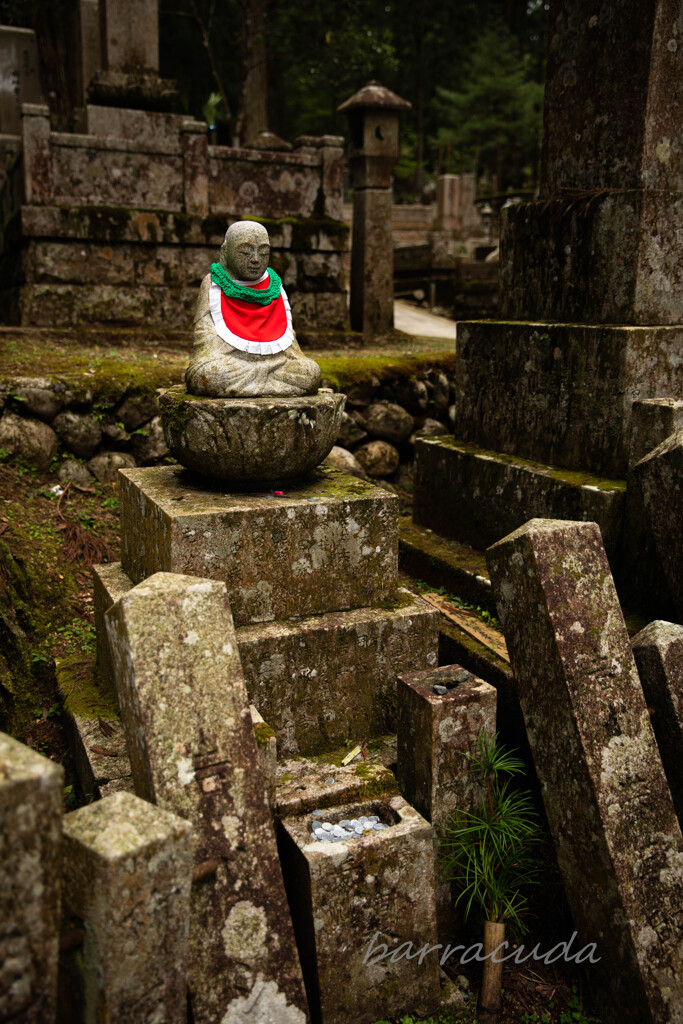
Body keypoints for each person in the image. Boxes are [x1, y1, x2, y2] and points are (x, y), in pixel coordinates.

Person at [185, 220, 321, 398]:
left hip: (276, 365)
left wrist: (273, 365)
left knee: (310, 373)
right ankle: (270, 386)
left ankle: (253, 386)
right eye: (245, 252)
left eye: (263, 252)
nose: (256, 259)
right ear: (226, 252)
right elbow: (205, 347)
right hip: (233, 366)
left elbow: (292, 350)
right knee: (209, 374)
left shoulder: (274, 286)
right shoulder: (212, 284)